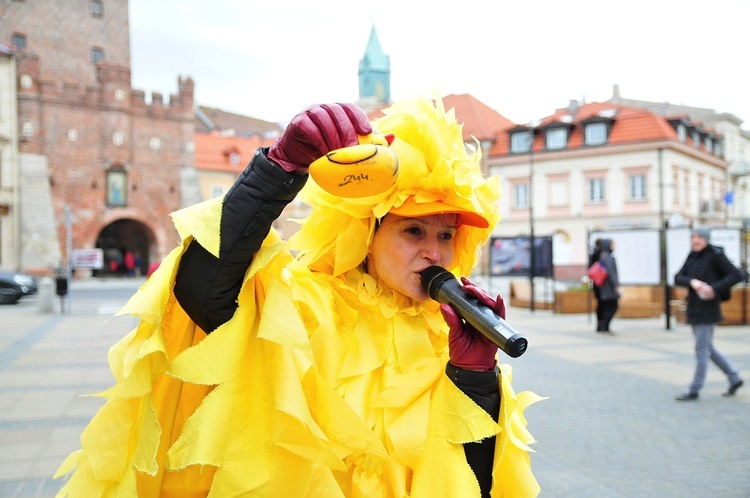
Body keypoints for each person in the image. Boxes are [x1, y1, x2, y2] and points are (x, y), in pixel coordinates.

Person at [55, 98, 542, 497]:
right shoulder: (309, 303)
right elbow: (204, 296)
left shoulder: (453, 333)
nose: (433, 252)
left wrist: (474, 380)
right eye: (413, 230)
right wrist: (277, 170)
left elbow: (475, 482)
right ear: (365, 232)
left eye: (445, 235)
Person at [673, 226, 744, 401]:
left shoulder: (715, 255)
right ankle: (734, 377)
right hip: (694, 307)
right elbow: (677, 277)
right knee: (707, 348)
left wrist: (714, 288)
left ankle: (694, 389)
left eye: (699, 237)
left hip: (709, 308)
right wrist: (693, 281)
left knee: (701, 349)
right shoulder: (692, 255)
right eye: (693, 237)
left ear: (706, 239)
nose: (695, 240)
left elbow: (736, 275)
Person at [593, 238, 620, 333]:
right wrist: (615, 285)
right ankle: (604, 325)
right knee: (612, 306)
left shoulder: (602, 255)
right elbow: (611, 272)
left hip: (603, 287)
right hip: (607, 287)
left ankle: (603, 325)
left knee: (605, 306)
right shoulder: (606, 257)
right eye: (612, 244)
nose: (614, 246)